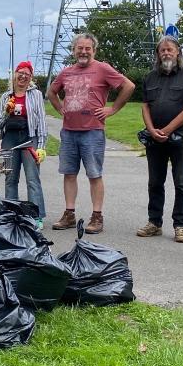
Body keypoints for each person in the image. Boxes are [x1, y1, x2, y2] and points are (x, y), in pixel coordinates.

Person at [46, 32, 135, 234]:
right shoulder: (67, 72)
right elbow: (51, 92)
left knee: (94, 174)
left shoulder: (102, 69)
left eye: (87, 48)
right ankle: (69, 214)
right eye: (80, 48)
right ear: (74, 50)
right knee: (69, 174)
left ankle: (97, 216)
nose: (83, 52)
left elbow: (128, 86)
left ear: (94, 50)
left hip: (92, 131)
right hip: (69, 131)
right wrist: (60, 108)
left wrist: (111, 109)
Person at [136, 37, 183, 243]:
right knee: (155, 182)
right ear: (157, 54)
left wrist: (167, 129)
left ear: (178, 52)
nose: (166, 53)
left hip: (180, 138)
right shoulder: (150, 77)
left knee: (181, 182)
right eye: (162, 50)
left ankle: (181, 224)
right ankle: (154, 222)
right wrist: (152, 130)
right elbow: (145, 105)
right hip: (155, 139)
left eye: (170, 49)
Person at [0, 60, 48, 227]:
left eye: (27, 74)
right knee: (11, 178)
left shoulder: (36, 95)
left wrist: (41, 146)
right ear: (15, 74)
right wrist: (6, 111)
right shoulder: (5, 96)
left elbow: (42, 121)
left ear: (30, 77)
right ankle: (12, 214)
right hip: (10, 138)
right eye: (20, 72)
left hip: (28, 137)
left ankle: (35, 216)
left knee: (32, 178)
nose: (23, 76)